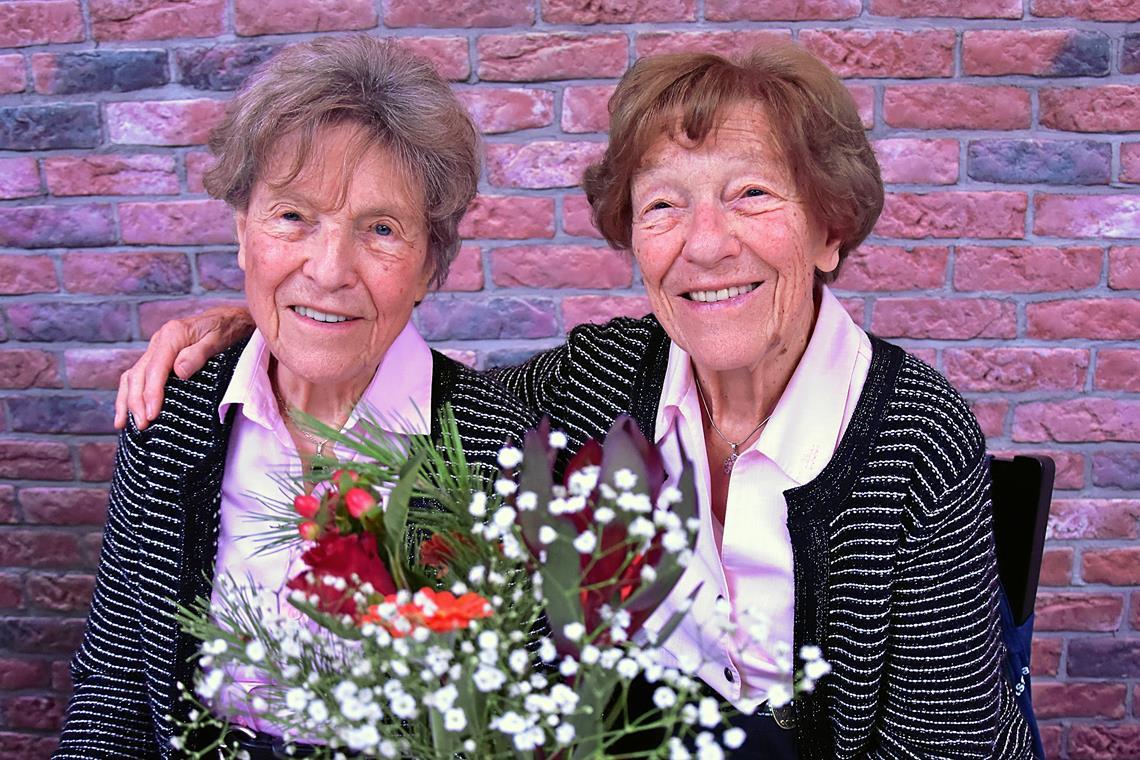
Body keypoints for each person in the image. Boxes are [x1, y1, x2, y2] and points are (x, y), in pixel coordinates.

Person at [113, 45, 1038, 759]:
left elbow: (945, 744)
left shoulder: (912, 434)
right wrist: (257, 322)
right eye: (664, 206)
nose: (706, 245)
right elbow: (396, 368)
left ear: (830, 227)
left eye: (751, 195)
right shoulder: (599, 385)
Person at [55, 36, 535, 759]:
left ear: (429, 265)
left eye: (380, 229)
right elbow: (114, 688)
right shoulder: (171, 418)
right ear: (243, 232)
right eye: (292, 217)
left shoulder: (503, 451)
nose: (329, 269)